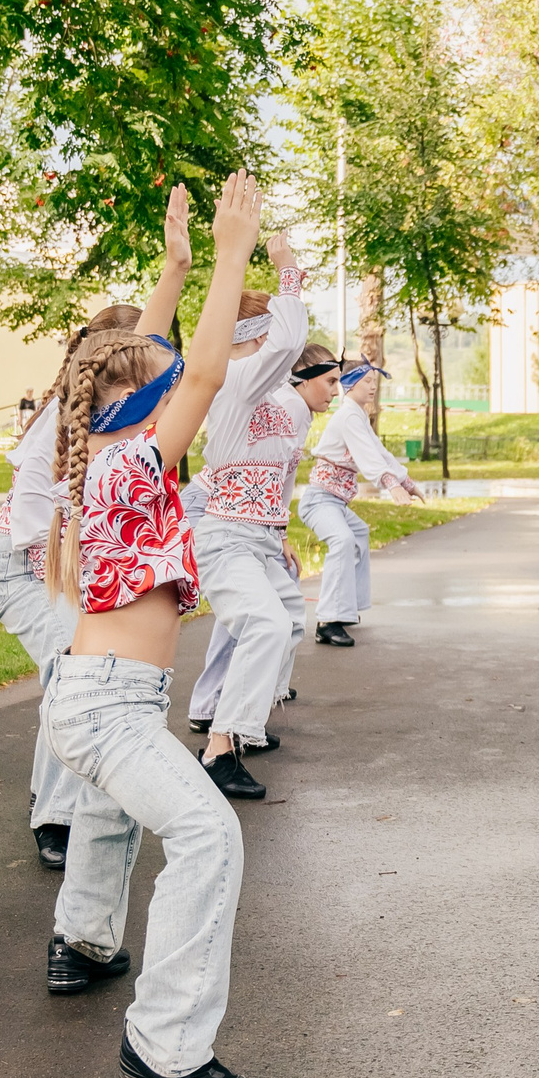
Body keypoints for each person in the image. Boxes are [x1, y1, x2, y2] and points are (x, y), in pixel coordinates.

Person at [39, 171, 262, 1078]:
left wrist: (172, 269)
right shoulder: (130, 460)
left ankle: (84, 941)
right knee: (209, 836)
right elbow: (201, 370)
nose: (170, 373)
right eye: (151, 373)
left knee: (127, 818)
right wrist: (229, 256)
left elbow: (157, 355)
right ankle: (163, 1044)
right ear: (126, 399)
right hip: (106, 704)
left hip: (109, 696)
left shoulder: (109, 456)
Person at [0, 293, 166, 869]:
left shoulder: (117, 419)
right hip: (26, 569)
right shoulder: (63, 421)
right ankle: (56, 817)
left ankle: (58, 798)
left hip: (60, 567)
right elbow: (28, 528)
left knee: (82, 669)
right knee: (75, 669)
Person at [190, 248, 324, 800]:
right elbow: (291, 342)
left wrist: (282, 532)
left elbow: (284, 470)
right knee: (266, 624)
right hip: (222, 534)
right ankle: (219, 748)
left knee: (289, 620)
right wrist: (287, 270)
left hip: (261, 537)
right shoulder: (233, 379)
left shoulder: (285, 403)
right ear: (255, 334)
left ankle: (240, 726)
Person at [299, 359, 423, 646]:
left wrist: (407, 483)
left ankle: (344, 610)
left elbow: (379, 452)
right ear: (350, 384)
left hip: (335, 503)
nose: (373, 386)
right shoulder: (348, 417)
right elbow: (368, 457)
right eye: (367, 381)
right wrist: (390, 485)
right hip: (319, 501)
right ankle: (327, 621)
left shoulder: (357, 416)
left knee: (358, 534)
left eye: (374, 381)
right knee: (342, 540)